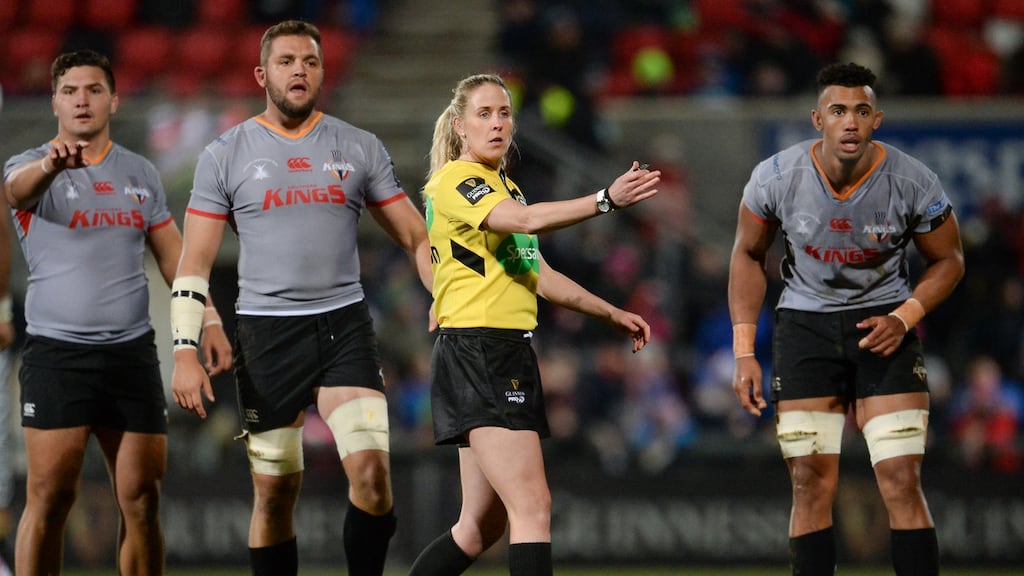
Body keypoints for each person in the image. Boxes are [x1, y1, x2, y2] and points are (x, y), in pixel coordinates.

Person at [169, 20, 433, 576]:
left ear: (321, 71)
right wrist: (185, 350)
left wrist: (444, 297)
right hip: (266, 334)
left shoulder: (359, 147)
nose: (299, 70)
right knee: (273, 495)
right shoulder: (225, 155)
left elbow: (416, 236)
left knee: (372, 477)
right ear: (263, 74)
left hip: (344, 328)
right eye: (287, 61)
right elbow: (192, 265)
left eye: (310, 61)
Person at [407, 73, 659, 576]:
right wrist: (605, 199)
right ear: (459, 126)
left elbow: (540, 277)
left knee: (479, 528)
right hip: (481, 350)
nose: (497, 123)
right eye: (484, 114)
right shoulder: (459, 180)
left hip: (496, 351)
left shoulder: (506, 187)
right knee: (533, 505)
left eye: (504, 113)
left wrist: (611, 313)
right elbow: (524, 223)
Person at [1, 50, 233, 576]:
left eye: (94, 89)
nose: (82, 100)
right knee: (50, 498)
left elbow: (175, 257)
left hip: (130, 356)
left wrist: (210, 322)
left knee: (143, 499)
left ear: (113, 99)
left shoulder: (140, 173)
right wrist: (51, 165)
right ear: (54, 100)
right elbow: (16, 191)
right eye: (71, 91)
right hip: (58, 356)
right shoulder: (28, 166)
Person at [728, 61, 964, 575]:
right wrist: (744, 350)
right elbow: (747, 255)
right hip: (805, 330)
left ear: (877, 118)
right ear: (818, 119)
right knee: (809, 482)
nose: (850, 122)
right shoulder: (775, 177)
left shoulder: (912, 180)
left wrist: (906, 317)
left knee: (901, 478)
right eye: (839, 111)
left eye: (861, 111)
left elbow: (951, 260)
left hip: (886, 327)